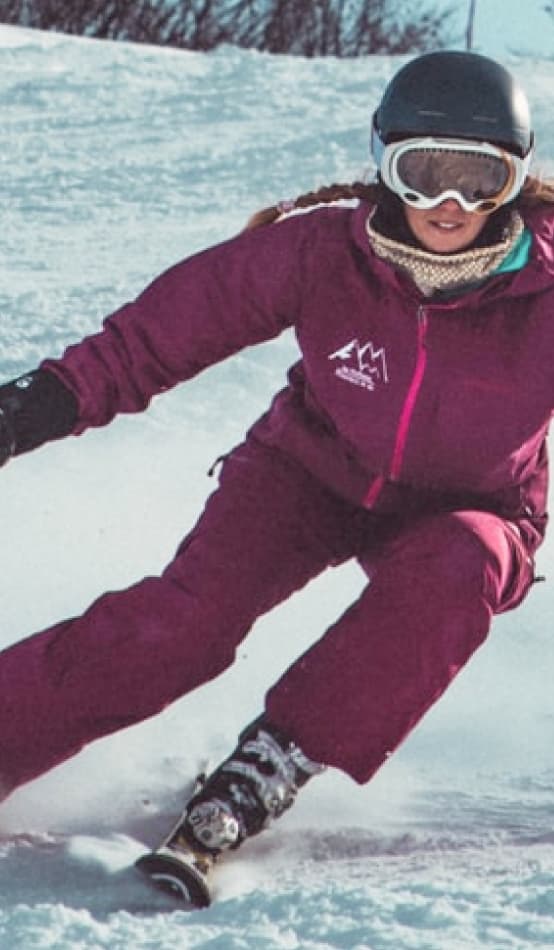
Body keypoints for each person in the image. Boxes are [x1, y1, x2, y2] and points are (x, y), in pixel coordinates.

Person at [0, 49, 552, 865]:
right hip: (307, 472)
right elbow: (159, 336)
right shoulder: (325, 251)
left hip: (472, 505)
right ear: (383, 167)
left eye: (478, 179)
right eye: (422, 171)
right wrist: (39, 404)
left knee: (461, 565)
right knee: (180, 629)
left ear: (515, 181)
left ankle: (275, 760)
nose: (446, 202)